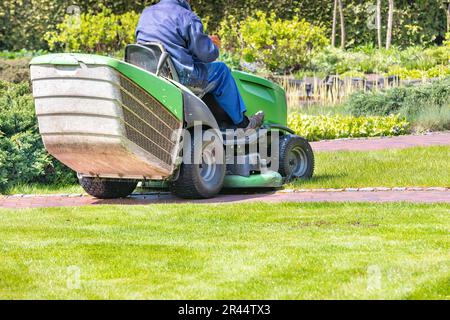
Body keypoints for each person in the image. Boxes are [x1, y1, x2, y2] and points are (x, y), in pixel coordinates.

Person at [135, 0, 265, 130]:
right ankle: (243, 123)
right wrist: (213, 45)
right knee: (221, 70)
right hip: (181, 78)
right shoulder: (186, 16)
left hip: (151, 74)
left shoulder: (146, 13)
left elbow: (170, 44)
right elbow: (208, 55)